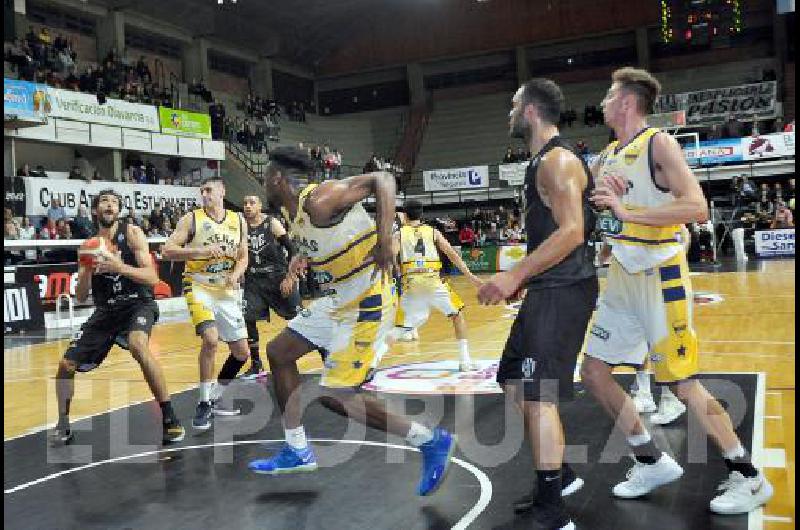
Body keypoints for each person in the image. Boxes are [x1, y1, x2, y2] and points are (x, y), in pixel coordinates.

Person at [584, 67, 772, 513]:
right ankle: (649, 459)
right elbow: (613, 214)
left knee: (683, 384)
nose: (604, 103)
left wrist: (624, 211)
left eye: (610, 96)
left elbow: (696, 206)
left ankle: (748, 476)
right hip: (622, 277)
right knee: (594, 373)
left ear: (627, 103)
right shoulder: (608, 154)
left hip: (660, 277)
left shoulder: (658, 143)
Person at [247, 146, 456, 499]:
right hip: (337, 299)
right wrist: (300, 257)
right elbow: (323, 241)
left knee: (336, 395)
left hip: (367, 301)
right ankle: (297, 449)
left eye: (266, 176)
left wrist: (386, 239)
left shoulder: (320, 198)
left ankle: (431, 440)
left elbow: (383, 179)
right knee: (280, 352)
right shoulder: (296, 214)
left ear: (278, 178)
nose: (263, 182)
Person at [477, 78, 598, 530]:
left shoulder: (558, 161)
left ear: (529, 111)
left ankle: (554, 509)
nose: (509, 113)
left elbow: (572, 232)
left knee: (537, 394)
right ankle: (559, 475)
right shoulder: (540, 163)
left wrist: (514, 274)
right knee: (512, 381)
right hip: (547, 288)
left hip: (564, 290)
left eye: (513, 105)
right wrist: (526, 280)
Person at [51, 190, 185, 445]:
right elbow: (79, 296)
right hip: (106, 311)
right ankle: (63, 423)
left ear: (119, 210)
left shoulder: (132, 233)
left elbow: (152, 278)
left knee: (138, 345)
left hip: (138, 304)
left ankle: (170, 417)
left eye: (114, 202)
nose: (109, 205)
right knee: (65, 366)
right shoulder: (88, 246)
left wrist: (118, 266)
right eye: (104, 201)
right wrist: (88, 269)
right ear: (95, 211)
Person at [162, 177, 251, 431]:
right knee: (211, 340)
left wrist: (235, 274)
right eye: (202, 191)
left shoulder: (238, 220)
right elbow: (167, 250)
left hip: (225, 289)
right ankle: (203, 403)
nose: (205, 194)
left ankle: (215, 397)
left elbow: (243, 256)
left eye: (209, 189)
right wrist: (197, 252)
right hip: (198, 285)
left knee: (242, 354)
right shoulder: (191, 219)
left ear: (222, 191)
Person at [391, 200, 482, 371]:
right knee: (457, 315)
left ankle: (374, 354)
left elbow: (389, 259)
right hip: (433, 281)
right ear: (422, 214)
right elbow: (452, 254)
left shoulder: (399, 234)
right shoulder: (433, 232)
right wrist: (470, 276)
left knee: (402, 327)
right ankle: (465, 361)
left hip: (412, 283)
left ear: (405, 214)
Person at [239, 194, 303, 379]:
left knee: (300, 318)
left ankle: (324, 353)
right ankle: (256, 364)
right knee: (247, 318)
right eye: (245, 203)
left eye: (252, 203)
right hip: (254, 281)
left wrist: (290, 277)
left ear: (260, 206)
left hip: (278, 278)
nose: (248, 206)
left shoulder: (271, 223)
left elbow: (293, 250)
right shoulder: (240, 226)